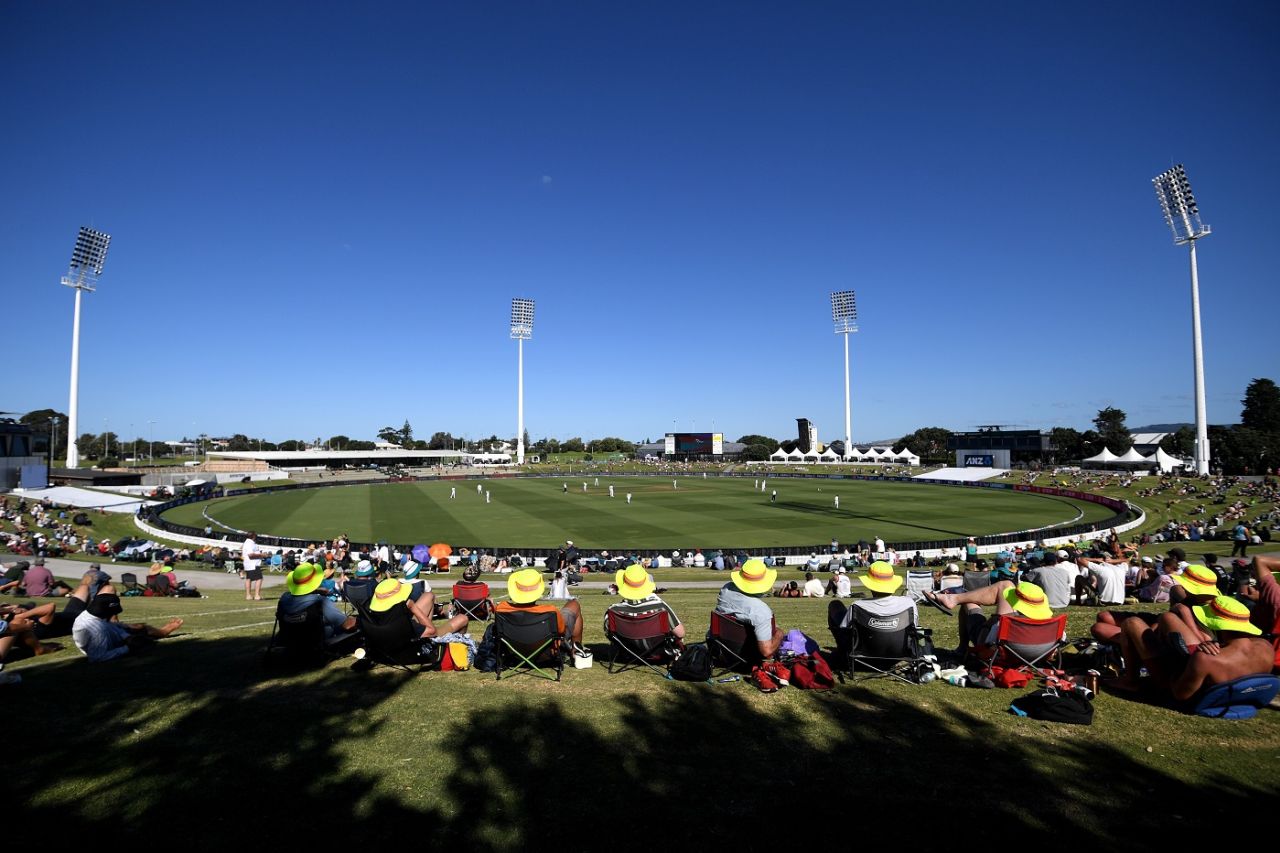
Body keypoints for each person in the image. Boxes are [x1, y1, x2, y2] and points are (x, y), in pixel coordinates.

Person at [1112, 596, 1273, 701]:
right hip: (1227, 686)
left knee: (1132, 623)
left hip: (1180, 688)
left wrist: (1171, 658)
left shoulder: (1206, 658)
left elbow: (1179, 694)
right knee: (1168, 617)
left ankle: (1130, 680)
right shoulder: (1266, 647)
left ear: (1218, 625)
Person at [924, 580, 1055, 659]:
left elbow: (990, 635)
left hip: (1000, 653)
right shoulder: (1053, 627)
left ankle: (962, 647)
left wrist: (993, 620)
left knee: (970, 603)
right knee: (1006, 585)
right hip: (1035, 657)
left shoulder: (1006, 624)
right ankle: (954, 598)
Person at [828, 561, 918, 664]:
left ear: (870, 584)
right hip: (899, 653)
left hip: (863, 656)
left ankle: (842, 654)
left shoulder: (858, 606)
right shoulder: (908, 603)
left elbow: (844, 629)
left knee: (835, 605)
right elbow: (914, 629)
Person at [71, 586, 183, 662]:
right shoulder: (98, 631)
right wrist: (128, 648)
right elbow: (97, 657)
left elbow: (107, 625)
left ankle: (152, 632)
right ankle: (163, 632)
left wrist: (124, 630)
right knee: (142, 633)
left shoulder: (89, 615)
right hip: (99, 643)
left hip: (97, 635)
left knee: (136, 627)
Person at [495, 568, 585, 651]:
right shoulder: (550, 611)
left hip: (514, 652)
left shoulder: (501, 609)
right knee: (574, 605)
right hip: (546, 653)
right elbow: (561, 631)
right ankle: (576, 651)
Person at [713, 558, 784, 658]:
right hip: (745, 656)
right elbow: (766, 652)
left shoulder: (726, 590)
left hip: (722, 649)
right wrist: (779, 635)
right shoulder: (761, 611)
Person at [365, 576, 467, 639]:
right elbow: (432, 632)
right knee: (463, 618)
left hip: (395, 636)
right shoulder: (403, 622)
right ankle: (459, 642)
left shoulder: (373, 619)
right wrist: (413, 608)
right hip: (418, 638)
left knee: (428, 596)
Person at [604, 564, 686, 641]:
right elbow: (680, 634)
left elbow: (610, 635)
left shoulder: (613, 610)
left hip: (626, 654)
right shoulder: (660, 607)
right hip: (658, 652)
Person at [277, 563, 358, 640]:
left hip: (289, 640)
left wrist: (316, 591)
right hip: (314, 642)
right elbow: (347, 625)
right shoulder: (319, 601)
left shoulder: (284, 598)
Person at [241, 531, 266, 601]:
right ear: (253, 536)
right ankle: (257, 595)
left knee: (249, 579)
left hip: (249, 563)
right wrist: (262, 555)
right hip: (253, 564)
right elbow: (250, 554)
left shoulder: (248, 543)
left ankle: (248, 595)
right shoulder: (249, 543)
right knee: (259, 578)